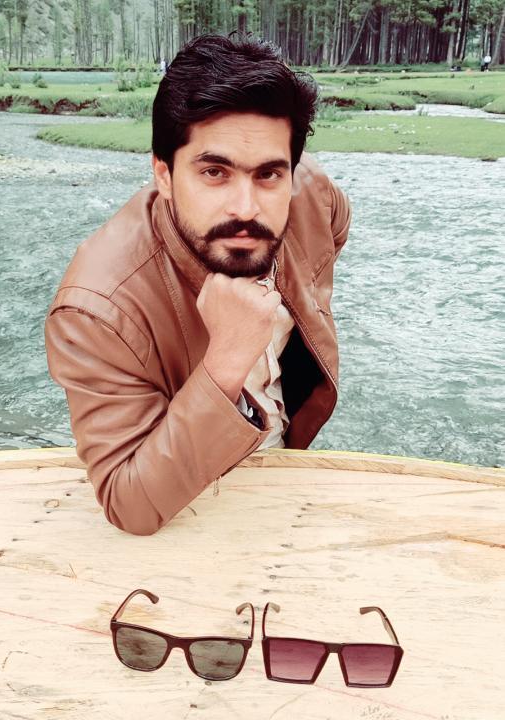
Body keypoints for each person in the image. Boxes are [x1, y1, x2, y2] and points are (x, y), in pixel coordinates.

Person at [44, 34, 351, 536]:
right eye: (214, 172)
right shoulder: (96, 311)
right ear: (164, 175)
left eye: (269, 175)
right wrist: (226, 359)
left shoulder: (312, 194)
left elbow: (334, 227)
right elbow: (129, 503)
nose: (245, 209)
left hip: (288, 466)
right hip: (191, 498)